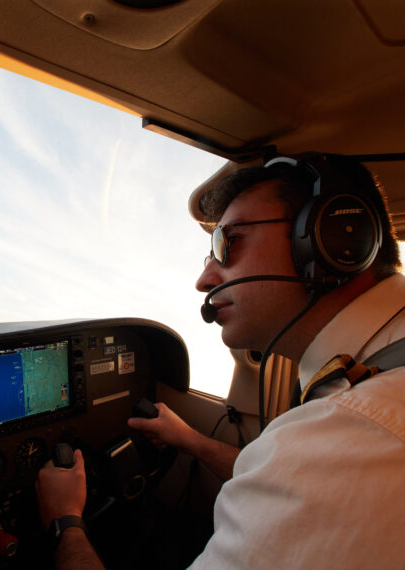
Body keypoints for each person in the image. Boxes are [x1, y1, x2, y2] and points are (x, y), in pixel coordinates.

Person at [36, 152, 404, 569]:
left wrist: (65, 520)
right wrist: (190, 440)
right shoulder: (362, 392)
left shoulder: (354, 434)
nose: (204, 280)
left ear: (330, 238)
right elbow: (278, 472)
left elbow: (301, 469)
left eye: (227, 243)